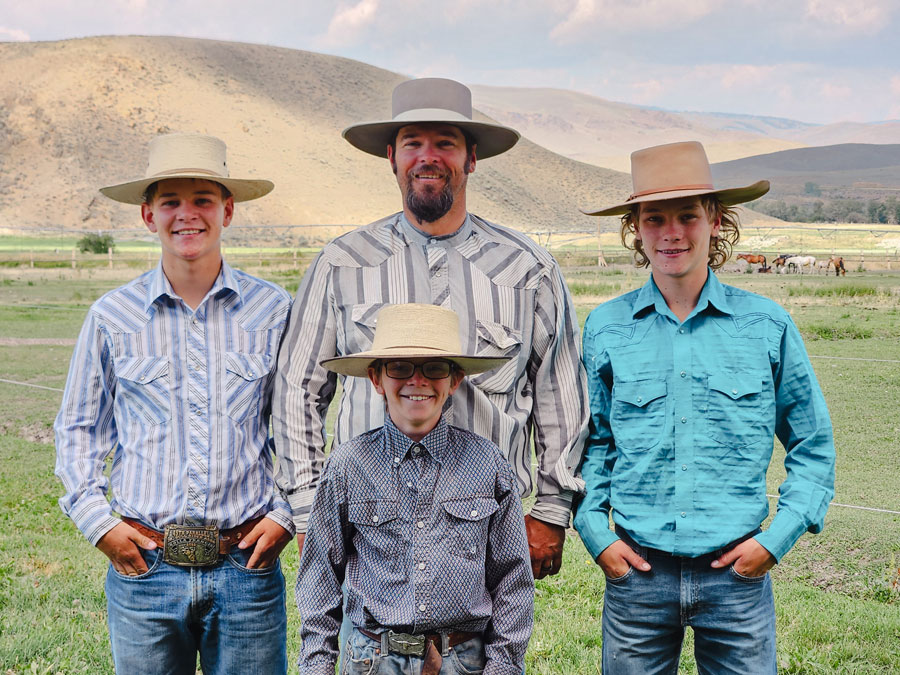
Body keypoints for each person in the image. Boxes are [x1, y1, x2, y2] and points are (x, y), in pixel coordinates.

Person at [273, 77, 588, 581]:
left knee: (491, 655)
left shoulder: (527, 269)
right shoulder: (342, 264)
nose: (428, 156)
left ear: (471, 158)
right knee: (369, 655)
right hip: (368, 528)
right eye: (413, 142)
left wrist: (551, 510)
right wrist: (312, 511)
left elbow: (559, 393)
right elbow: (298, 389)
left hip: (490, 525)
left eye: (445, 142)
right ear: (392, 158)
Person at [574, 141, 836, 672]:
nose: (672, 232)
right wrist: (597, 535)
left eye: (688, 215)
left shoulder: (766, 324)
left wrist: (778, 538)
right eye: (655, 218)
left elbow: (812, 444)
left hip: (737, 576)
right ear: (636, 228)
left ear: (715, 220)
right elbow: (593, 442)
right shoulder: (606, 328)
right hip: (637, 574)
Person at [54, 133, 294, 674]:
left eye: (203, 200)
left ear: (227, 210)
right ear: (147, 215)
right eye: (171, 202)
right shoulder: (112, 317)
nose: (188, 215)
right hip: (145, 565)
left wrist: (285, 514)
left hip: (246, 564)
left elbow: (302, 426)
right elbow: (78, 429)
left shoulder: (274, 311)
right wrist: (99, 523)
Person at [297, 303, 534, 674]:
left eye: (434, 368)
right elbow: (319, 577)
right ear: (376, 379)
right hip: (371, 659)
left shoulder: (488, 463)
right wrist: (318, 666)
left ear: (454, 380)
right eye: (400, 367)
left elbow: (512, 578)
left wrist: (502, 666)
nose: (417, 381)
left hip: (464, 659)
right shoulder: (347, 465)